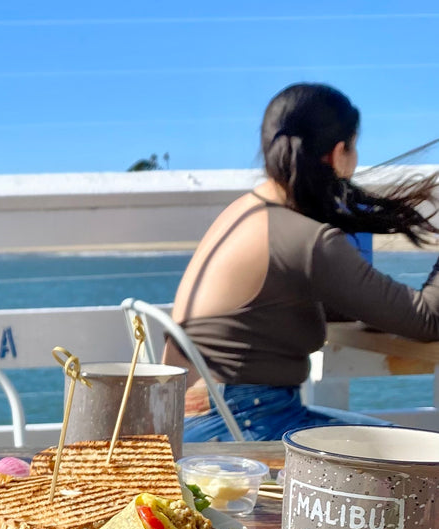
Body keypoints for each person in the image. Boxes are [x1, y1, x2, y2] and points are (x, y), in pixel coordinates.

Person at [169, 82, 439, 441]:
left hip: (188, 421)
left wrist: (373, 301)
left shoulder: (242, 213)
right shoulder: (305, 239)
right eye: (354, 146)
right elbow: (427, 320)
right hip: (243, 426)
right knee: (415, 452)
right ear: (339, 152)